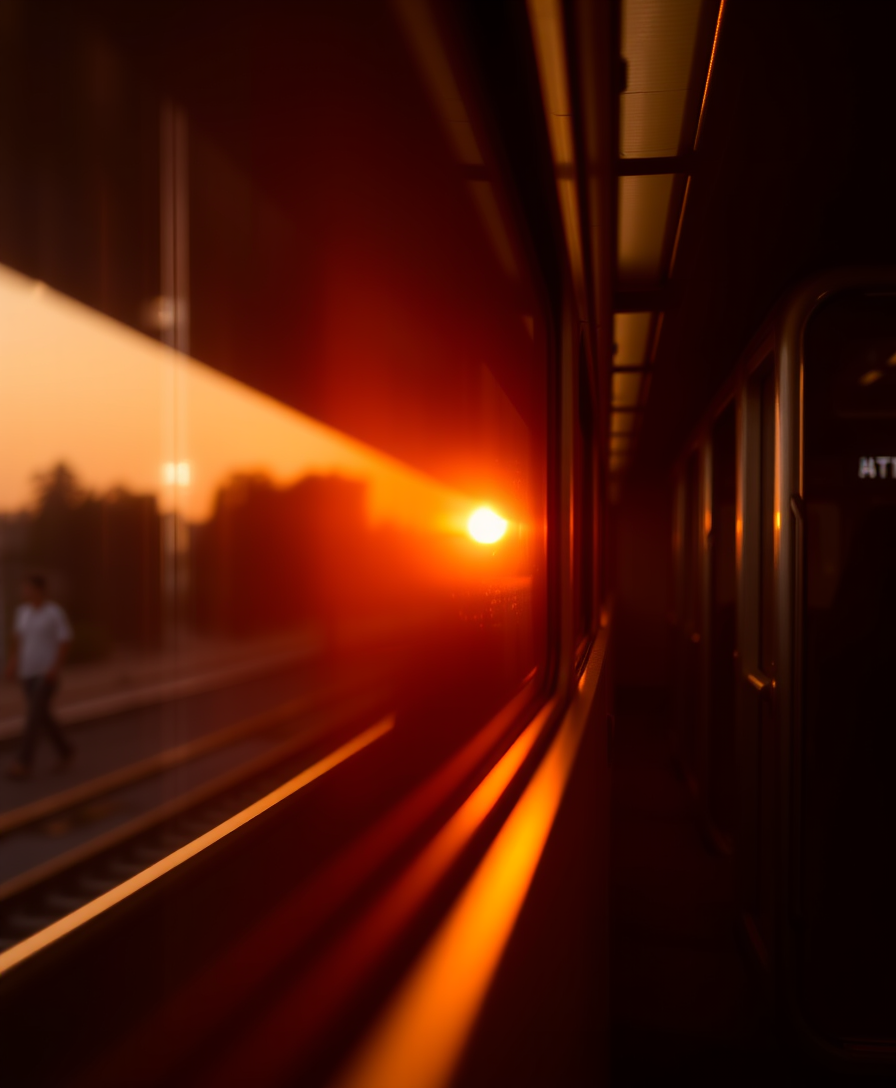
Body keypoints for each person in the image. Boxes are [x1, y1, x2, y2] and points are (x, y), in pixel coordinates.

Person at [4, 574, 74, 779]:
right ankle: (66, 751)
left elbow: (65, 641)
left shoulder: (54, 612)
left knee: (33, 718)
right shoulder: (22, 612)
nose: (25, 592)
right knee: (43, 716)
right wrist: (12, 663)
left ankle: (23, 763)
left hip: (46, 674)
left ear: (40, 590)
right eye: (24, 588)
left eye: (28, 588)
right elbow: (18, 639)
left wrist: (55, 668)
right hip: (27, 673)